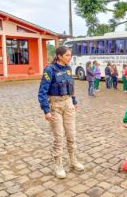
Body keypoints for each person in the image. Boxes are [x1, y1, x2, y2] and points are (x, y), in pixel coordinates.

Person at [38, 46, 84, 179]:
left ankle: (73, 161)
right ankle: (58, 165)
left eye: (70, 55)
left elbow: (70, 87)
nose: (70, 57)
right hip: (55, 106)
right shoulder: (50, 70)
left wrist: (74, 101)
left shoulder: (69, 69)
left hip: (68, 104)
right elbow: (42, 92)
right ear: (59, 56)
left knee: (71, 135)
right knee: (58, 137)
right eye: (67, 55)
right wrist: (46, 110)